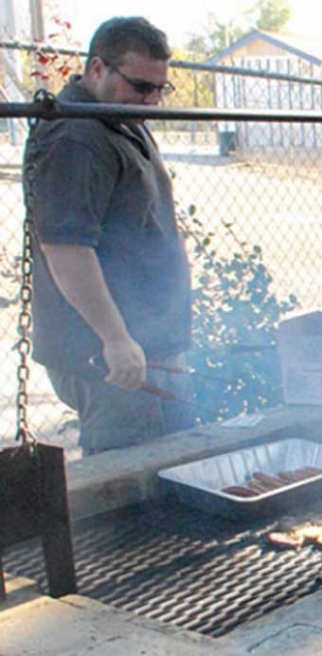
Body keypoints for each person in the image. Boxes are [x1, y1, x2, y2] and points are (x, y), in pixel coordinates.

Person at [23, 16, 193, 456]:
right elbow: (66, 249)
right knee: (126, 477)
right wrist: (116, 339)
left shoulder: (118, 120)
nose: (152, 101)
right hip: (107, 354)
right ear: (97, 68)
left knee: (169, 463)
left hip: (148, 343)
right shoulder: (76, 137)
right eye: (141, 87)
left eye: (160, 89)